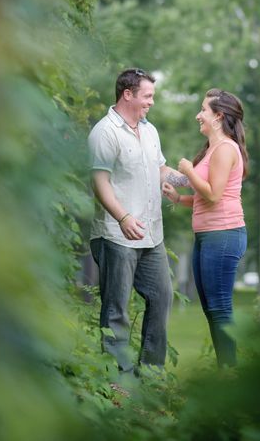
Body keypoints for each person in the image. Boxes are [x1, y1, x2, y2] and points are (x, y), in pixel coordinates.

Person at [88, 67, 191, 375]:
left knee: (162, 297)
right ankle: (119, 378)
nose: (151, 102)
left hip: (151, 235)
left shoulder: (149, 130)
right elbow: (99, 181)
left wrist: (189, 180)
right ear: (127, 94)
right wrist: (122, 217)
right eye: (148, 96)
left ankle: (151, 373)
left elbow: (160, 170)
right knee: (116, 309)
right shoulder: (104, 132)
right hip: (115, 235)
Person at [163, 88, 248, 367]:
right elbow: (205, 197)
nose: (198, 115)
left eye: (203, 110)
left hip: (223, 236)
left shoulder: (225, 149)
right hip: (207, 237)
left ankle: (230, 373)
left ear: (218, 116)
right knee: (212, 309)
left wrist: (187, 170)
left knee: (220, 308)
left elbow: (213, 194)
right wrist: (178, 197)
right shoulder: (212, 149)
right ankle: (226, 370)